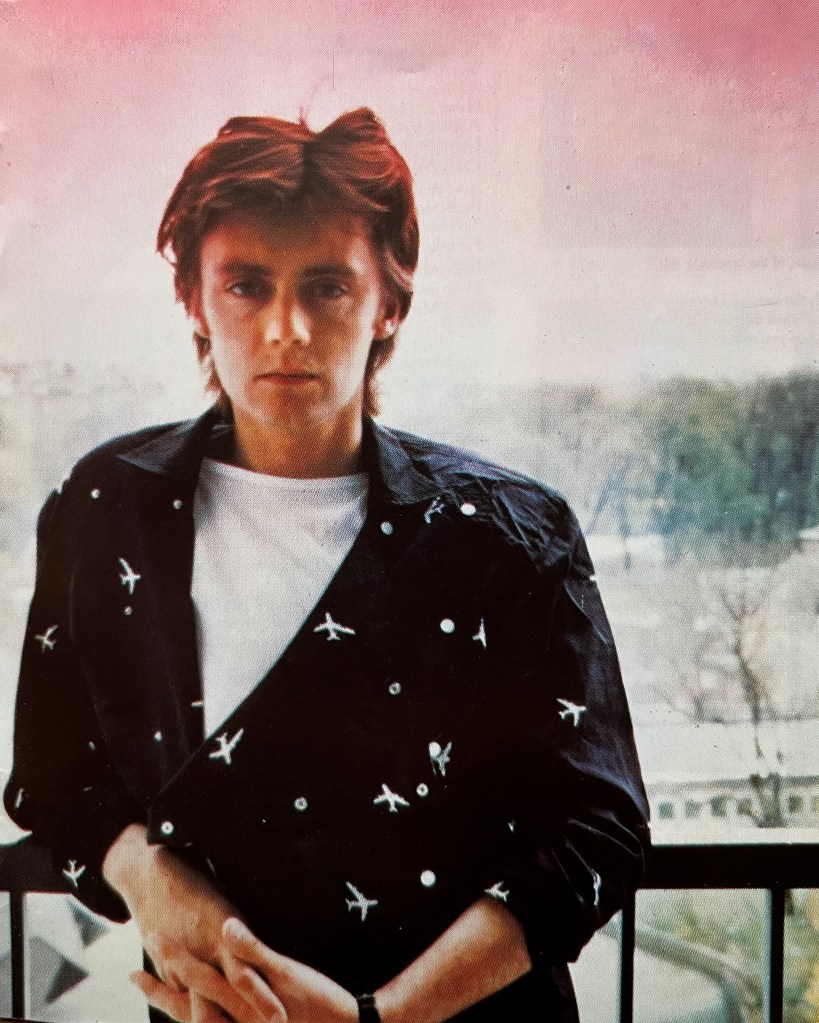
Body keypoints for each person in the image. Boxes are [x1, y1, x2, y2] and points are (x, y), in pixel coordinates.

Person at [4, 108, 650, 1023]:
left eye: (327, 288)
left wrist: (376, 1019)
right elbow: (53, 772)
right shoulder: (110, 507)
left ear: (389, 302)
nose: (286, 329)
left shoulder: (506, 533)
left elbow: (599, 829)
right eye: (246, 285)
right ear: (193, 297)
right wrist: (148, 879)